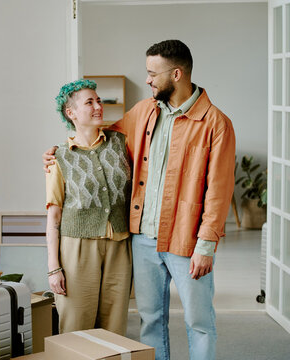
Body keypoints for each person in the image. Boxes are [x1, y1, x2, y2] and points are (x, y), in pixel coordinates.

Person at [43, 40, 236, 360]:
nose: (147, 79)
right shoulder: (144, 111)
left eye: (152, 73)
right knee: (151, 320)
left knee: (199, 321)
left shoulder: (216, 123)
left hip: (187, 240)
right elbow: (98, 142)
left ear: (176, 74)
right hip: (143, 239)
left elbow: (219, 189)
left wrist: (206, 244)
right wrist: (56, 154)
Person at [45, 79, 132, 336]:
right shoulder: (59, 156)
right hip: (77, 249)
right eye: (89, 102)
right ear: (70, 113)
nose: (98, 106)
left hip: (119, 244)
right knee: (76, 326)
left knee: (115, 328)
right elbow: (54, 216)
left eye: (99, 100)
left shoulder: (120, 143)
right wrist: (53, 267)